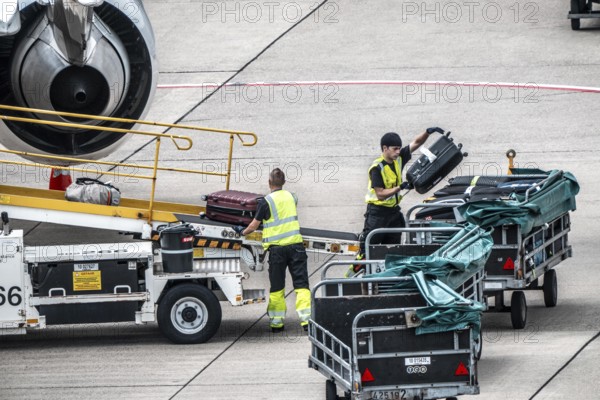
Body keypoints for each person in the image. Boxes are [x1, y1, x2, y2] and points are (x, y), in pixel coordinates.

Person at [348, 127, 445, 276]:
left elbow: (416, 142)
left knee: (393, 248)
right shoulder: (377, 168)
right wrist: (399, 187)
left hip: (393, 212)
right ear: (385, 148)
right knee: (368, 247)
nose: (398, 152)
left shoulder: (398, 159)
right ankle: (354, 274)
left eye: (399, 148)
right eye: (395, 149)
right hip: (377, 213)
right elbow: (380, 194)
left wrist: (428, 132)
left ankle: (388, 276)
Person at [233, 168, 310, 333]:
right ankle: (306, 321)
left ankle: (277, 323)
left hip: (277, 251)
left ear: (269, 183)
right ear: (284, 183)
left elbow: (254, 225)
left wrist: (241, 231)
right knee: (302, 285)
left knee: (277, 287)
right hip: (296, 247)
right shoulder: (292, 197)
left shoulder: (265, 201)